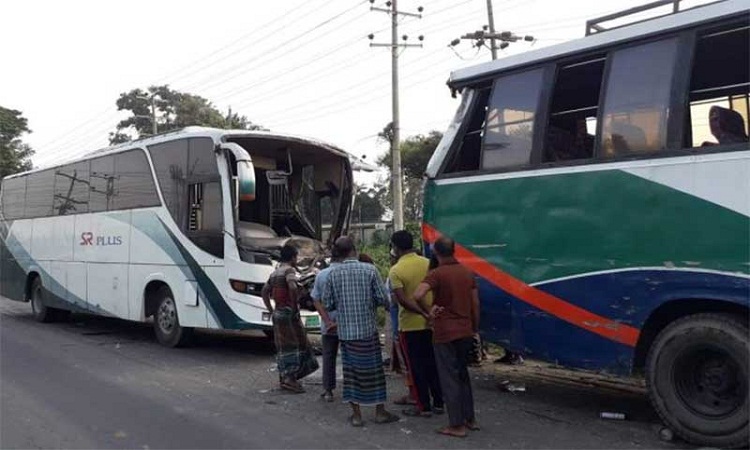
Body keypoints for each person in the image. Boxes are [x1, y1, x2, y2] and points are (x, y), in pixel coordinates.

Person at [322, 236, 399, 427]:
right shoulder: (370, 270)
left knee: (352, 375)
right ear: (354, 250)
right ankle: (380, 412)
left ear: (338, 252)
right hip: (368, 332)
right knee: (374, 373)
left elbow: (328, 303)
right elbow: (383, 298)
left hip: (347, 335)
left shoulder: (332, 274)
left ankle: (356, 416)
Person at [411, 236, 479, 438]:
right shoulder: (467, 273)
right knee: (463, 375)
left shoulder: (437, 274)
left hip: (445, 332)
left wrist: (430, 311)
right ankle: (470, 419)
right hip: (465, 329)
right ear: (454, 250)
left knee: (449, 378)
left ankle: (456, 425)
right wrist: (474, 327)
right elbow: (476, 304)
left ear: (436, 252)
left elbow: (417, 295)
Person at [389, 230, 444, 418]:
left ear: (395, 248)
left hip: (410, 325)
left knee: (416, 367)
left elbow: (403, 300)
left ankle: (423, 406)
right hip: (431, 323)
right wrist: (430, 312)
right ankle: (439, 402)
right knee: (433, 364)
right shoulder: (428, 263)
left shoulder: (396, 270)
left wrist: (421, 311)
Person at [261, 244, 319, 393]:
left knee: (283, 347)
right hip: (287, 313)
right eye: (296, 256)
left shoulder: (275, 272)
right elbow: (292, 287)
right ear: (293, 257)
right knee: (295, 345)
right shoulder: (288, 270)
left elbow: (265, 291)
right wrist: (294, 308)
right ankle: (290, 379)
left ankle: (284, 377)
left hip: (278, 313)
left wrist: (271, 310)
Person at [310, 246, 344, 402]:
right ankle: (352, 390)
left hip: (328, 325)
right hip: (348, 325)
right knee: (349, 357)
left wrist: (328, 321)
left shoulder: (322, 275)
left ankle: (328, 391)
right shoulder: (348, 273)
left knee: (328, 357)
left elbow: (316, 300)